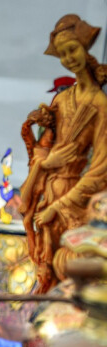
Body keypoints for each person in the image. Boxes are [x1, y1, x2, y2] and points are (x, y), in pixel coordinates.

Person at [19, 14, 107, 293]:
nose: (69, 58)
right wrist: (44, 165)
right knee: (47, 272)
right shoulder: (62, 99)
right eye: (63, 54)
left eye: (73, 50)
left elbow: (100, 171)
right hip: (48, 194)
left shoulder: (99, 104)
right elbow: (42, 153)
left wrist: (58, 207)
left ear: (84, 48)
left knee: (70, 271)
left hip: (73, 205)